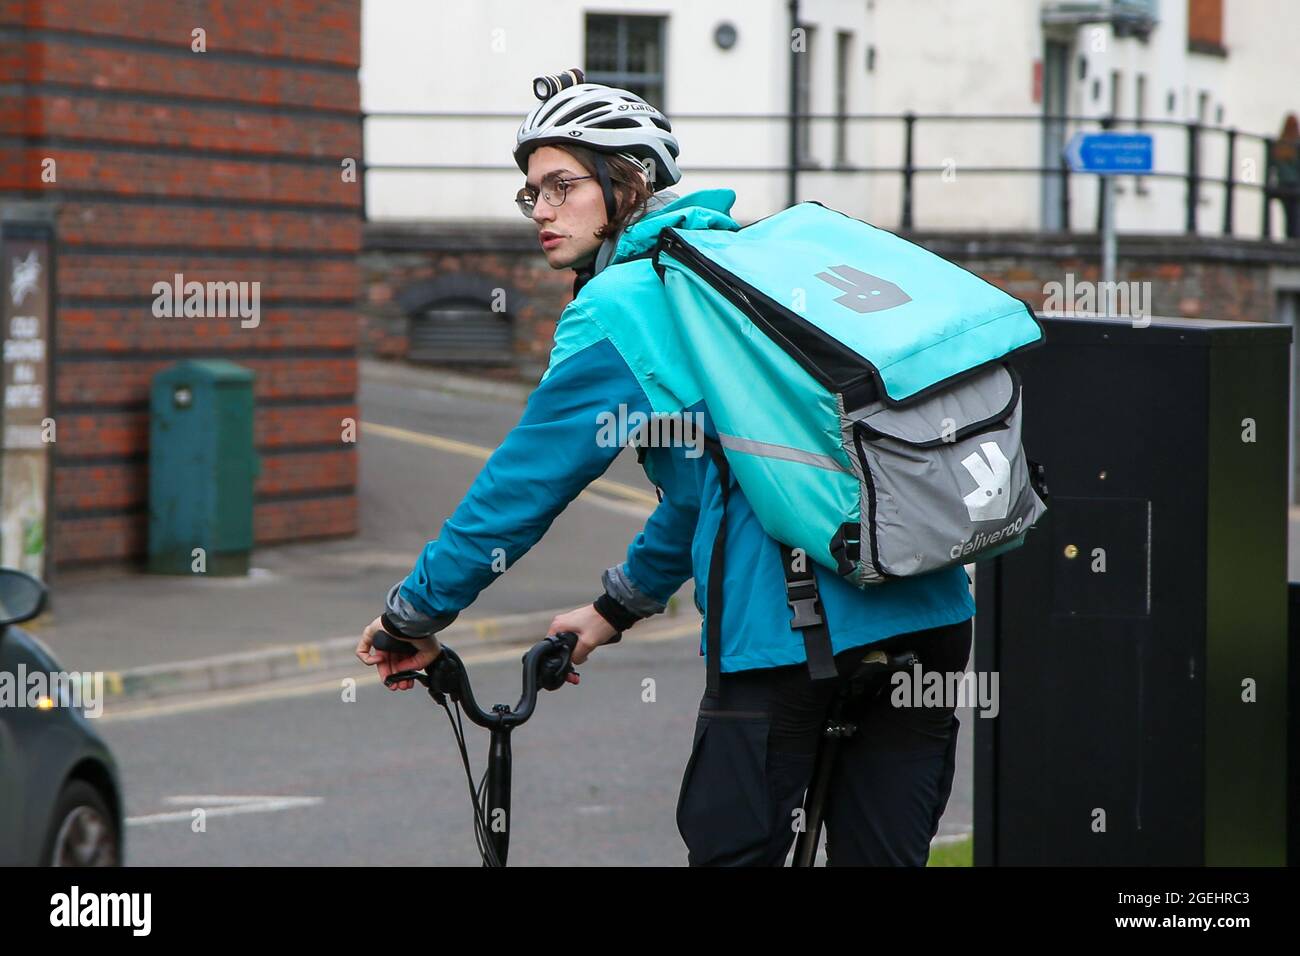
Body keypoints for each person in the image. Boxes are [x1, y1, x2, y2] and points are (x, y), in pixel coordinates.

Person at [355, 76, 977, 866]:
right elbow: (712, 484)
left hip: (787, 631)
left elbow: (522, 486)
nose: (542, 210)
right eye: (531, 193)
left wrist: (412, 614)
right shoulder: (744, 265)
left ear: (630, 183)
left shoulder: (627, 301)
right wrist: (615, 607)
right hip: (926, 611)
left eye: (564, 185)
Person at [1268, 114, 1300, 240]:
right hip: (1295, 185)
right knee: (1296, 215)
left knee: (1288, 215)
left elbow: (1271, 165)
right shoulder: (1296, 145)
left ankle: (1289, 237)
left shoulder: (1279, 145)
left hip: (1282, 185)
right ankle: (1295, 239)